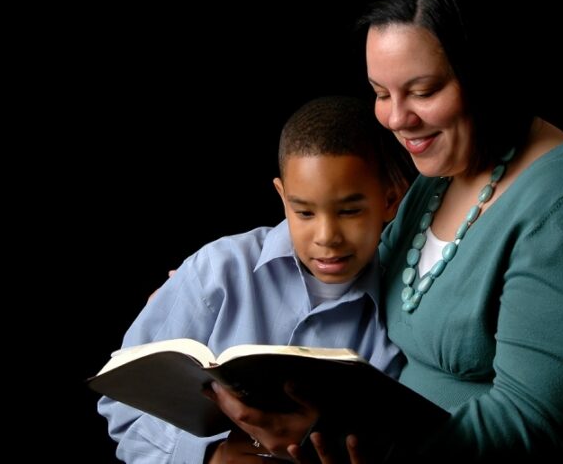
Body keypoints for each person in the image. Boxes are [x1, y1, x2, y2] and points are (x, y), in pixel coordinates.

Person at [208, 0, 563, 463]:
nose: (397, 119)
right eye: (381, 93)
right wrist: (218, 272)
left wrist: (340, 434)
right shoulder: (438, 177)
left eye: (423, 91)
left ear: (486, 75)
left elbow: (533, 428)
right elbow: (347, 242)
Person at [97, 95, 414, 463]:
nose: (327, 236)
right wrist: (210, 456)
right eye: (304, 211)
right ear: (282, 197)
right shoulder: (217, 270)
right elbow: (122, 403)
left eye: (349, 211)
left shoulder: (400, 316)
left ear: (390, 199)